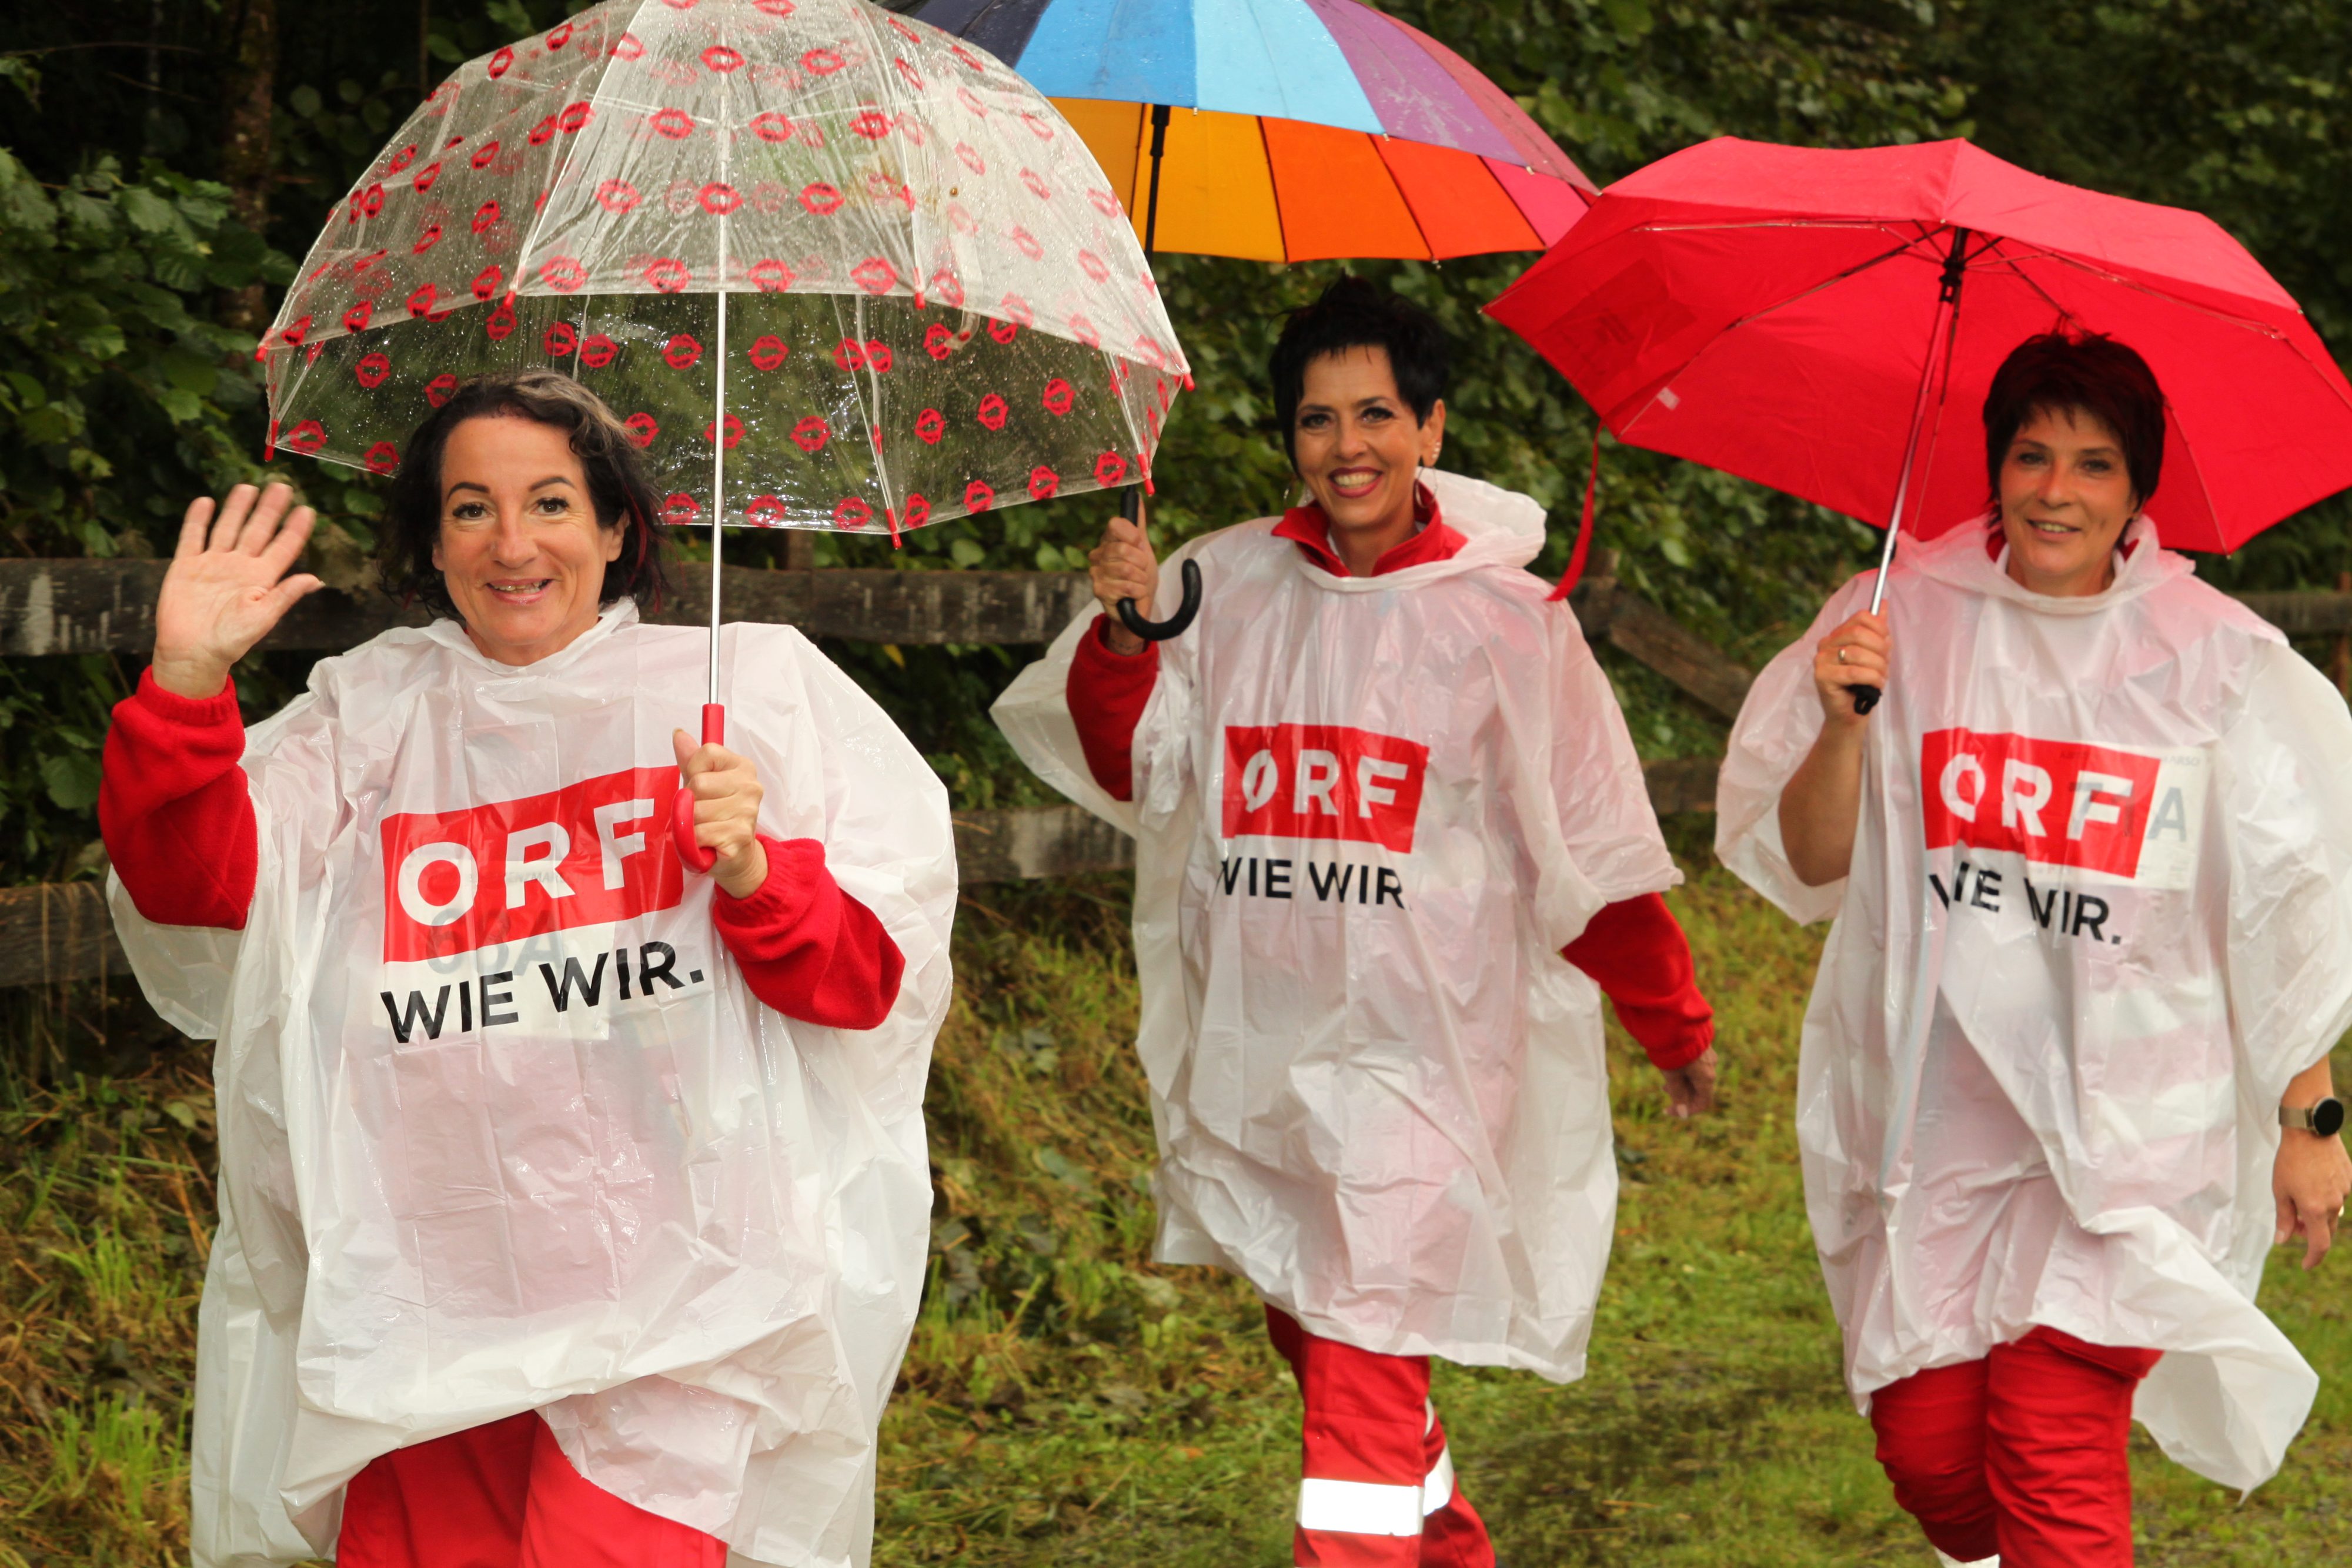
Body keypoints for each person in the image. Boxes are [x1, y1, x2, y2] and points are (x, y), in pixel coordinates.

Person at [100, 370, 957, 1568]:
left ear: (616, 531)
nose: (511, 544)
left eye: (551, 502)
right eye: (470, 509)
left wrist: (756, 871)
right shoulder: (373, 711)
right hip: (428, 1300)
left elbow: (864, 988)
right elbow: (199, 884)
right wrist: (188, 683)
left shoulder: (748, 692)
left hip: (681, 1306)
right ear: (431, 543)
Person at [993, 278, 1718, 1568]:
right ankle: (1451, 1544)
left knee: (1359, 1361)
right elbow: (1133, 768)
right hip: (1262, 1044)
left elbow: (1587, 848)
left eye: (1377, 413)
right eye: (1317, 419)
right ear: (1289, 438)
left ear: (1431, 427)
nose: (1347, 447)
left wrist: (1674, 1024)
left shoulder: (1505, 623)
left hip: (1424, 1060)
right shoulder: (1218, 583)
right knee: (1320, 1328)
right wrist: (1126, 637)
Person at [1717, 330, 2352, 1567]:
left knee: (2051, 1442)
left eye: (2094, 463)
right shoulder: (1897, 618)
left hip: (2127, 1142)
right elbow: (1809, 858)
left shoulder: (2213, 660)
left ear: (2138, 489)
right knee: (1930, 1454)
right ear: (1994, 467)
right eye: (2030, 456)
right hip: (1936, 1124)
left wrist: (2307, 1116)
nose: (2056, 490)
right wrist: (1843, 727)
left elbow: (2287, 903)